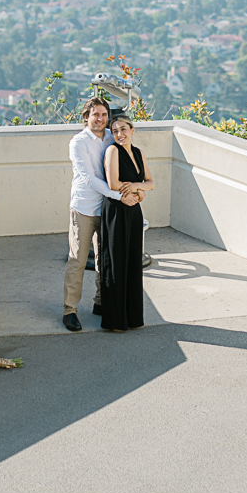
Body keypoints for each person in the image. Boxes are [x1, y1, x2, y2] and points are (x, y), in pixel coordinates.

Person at [63, 97, 139, 332]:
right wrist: (120, 196)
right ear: (86, 117)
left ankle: (100, 302)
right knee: (77, 260)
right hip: (85, 208)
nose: (100, 119)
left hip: (107, 209)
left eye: (104, 114)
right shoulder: (78, 142)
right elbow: (89, 178)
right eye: (95, 114)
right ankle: (69, 311)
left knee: (104, 260)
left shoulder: (111, 136)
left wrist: (136, 191)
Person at [100, 114, 155, 332]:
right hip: (116, 209)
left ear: (133, 130)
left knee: (133, 262)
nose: (120, 134)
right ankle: (116, 320)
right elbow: (113, 183)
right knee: (116, 262)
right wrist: (138, 189)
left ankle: (132, 318)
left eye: (123, 129)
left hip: (134, 210)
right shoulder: (112, 151)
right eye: (115, 131)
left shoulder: (139, 153)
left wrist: (137, 188)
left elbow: (151, 183)